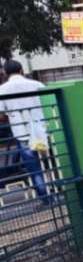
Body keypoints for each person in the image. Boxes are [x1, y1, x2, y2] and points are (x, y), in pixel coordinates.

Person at [0, 60, 50, 204]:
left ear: (5, 73)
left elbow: (1, 114)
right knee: (54, 162)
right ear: (22, 70)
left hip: (22, 134)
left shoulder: (2, 90)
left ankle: (46, 199)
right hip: (43, 131)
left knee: (35, 169)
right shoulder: (37, 85)